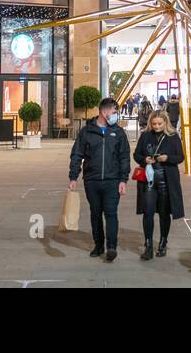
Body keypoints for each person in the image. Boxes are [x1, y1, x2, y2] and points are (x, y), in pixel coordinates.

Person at [68, 97, 131, 261]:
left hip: (113, 180)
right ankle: (98, 245)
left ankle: (111, 247)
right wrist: (73, 177)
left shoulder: (118, 133)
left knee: (111, 213)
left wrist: (123, 180)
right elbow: (77, 154)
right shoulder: (86, 132)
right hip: (92, 181)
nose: (116, 115)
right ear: (104, 111)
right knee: (95, 213)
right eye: (114, 112)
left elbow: (124, 157)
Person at [133, 109, 184, 259]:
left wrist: (167, 158)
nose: (156, 126)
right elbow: (136, 154)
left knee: (164, 213)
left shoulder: (173, 137)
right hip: (148, 181)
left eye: (159, 124)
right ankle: (148, 245)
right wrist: (144, 159)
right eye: (154, 123)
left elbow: (180, 157)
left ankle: (163, 242)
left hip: (166, 181)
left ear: (165, 122)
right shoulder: (145, 135)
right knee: (147, 212)